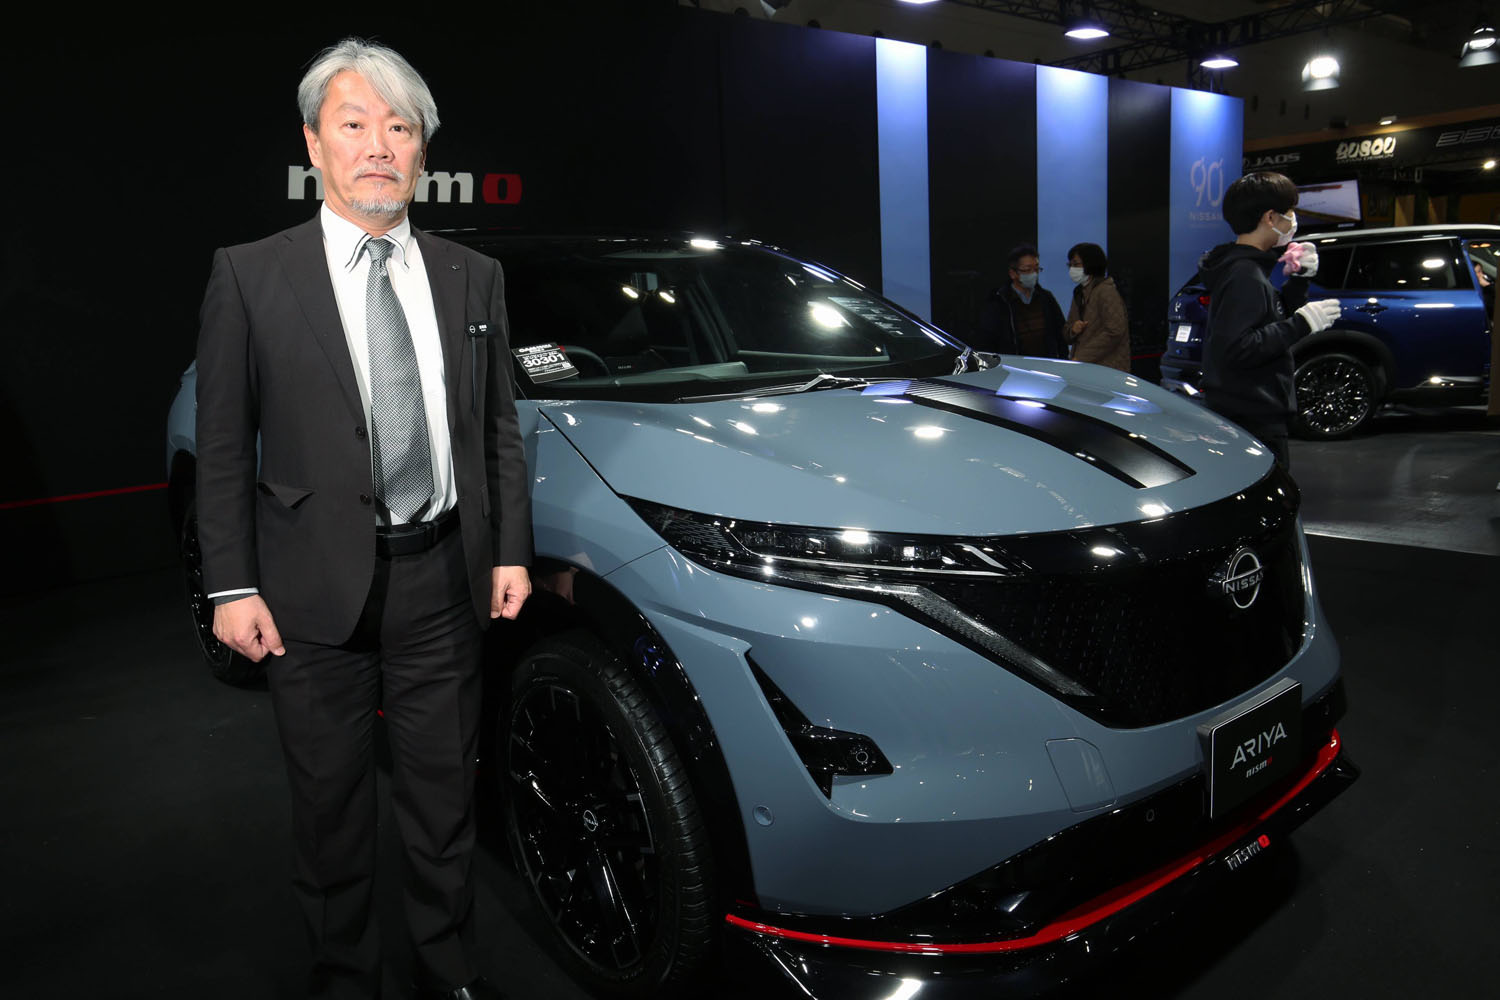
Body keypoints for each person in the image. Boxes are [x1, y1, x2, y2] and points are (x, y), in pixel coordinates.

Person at [194, 38, 531, 1000]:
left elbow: (496, 426)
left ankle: (448, 970)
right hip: (308, 590)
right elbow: (224, 445)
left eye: (400, 127)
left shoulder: (472, 275)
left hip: (444, 580)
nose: (378, 145)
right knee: (331, 811)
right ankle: (345, 976)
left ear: (422, 149)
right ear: (315, 143)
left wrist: (509, 550)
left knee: (443, 802)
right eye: (354, 124)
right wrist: (230, 585)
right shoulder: (250, 275)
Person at [1197, 171, 1341, 469]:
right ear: (1270, 218)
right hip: (1252, 417)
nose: (1293, 220)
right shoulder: (1244, 274)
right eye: (1290, 212)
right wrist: (1301, 324)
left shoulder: (1246, 268)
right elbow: (1238, 348)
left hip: (1249, 413)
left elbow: (1265, 321)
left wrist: (1299, 281)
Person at [973, 243, 1067, 357]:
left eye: (1036, 269)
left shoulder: (1046, 298)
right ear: (1013, 273)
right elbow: (987, 340)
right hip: (1013, 364)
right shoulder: (1000, 302)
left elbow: (1060, 333)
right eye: (1027, 270)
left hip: (1045, 363)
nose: (1034, 274)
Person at [1063, 242, 1130, 371]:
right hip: (1086, 367)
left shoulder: (1106, 291)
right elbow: (1067, 330)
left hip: (1108, 368)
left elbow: (1115, 332)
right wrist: (1073, 330)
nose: (1072, 269)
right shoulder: (1079, 292)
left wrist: (1081, 357)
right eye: (1070, 265)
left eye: (1076, 264)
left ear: (1090, 264)